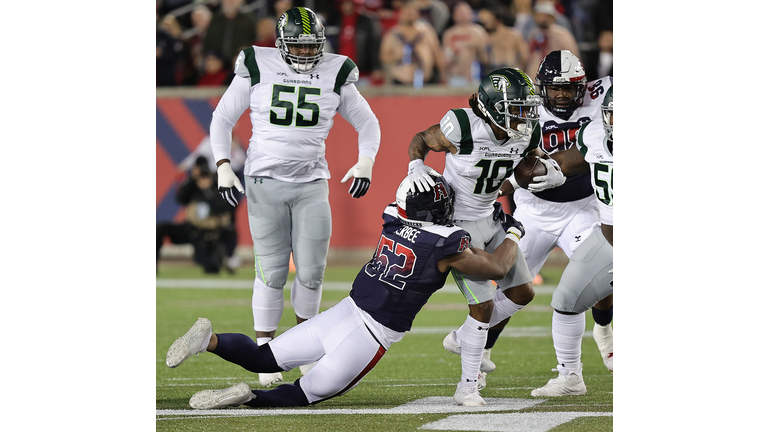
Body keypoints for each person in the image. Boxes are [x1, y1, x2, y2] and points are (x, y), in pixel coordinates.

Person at [165, 174, 526, 409]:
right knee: (305, 394)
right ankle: (249, 397)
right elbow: (497, 267)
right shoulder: (447, 243)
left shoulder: (392, 218)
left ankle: (209, 340)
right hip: (371, 336)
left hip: (343, 312)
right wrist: (513, 232)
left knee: (264, 357)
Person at [210, 6, 381, 389]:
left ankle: (303, 349)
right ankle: (265, 350)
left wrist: (365, 161)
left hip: (311, 182)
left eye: (310, 47)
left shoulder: (337, 70)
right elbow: (222, 117)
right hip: (264, 181)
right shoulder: (257, 63)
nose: (304, 54)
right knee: (271, 271)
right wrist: (223, 164)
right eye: (297, 47)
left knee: (312, 271)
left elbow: (367, 121)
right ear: (281, 44)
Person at [405, 67, 566, 406]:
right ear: (493, 107)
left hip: (491, 216)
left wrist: (551, 169)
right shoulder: (463, 127)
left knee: (522, 292)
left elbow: (530, 160)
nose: (524, 116)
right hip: (459, 223)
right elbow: (421, 139)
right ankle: (466, 386)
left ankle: (463, 337)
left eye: (527, 107)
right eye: (516, 108)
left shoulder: (526, 132)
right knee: (482, 306)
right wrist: (416, 165)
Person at [483, 50, 613, 388]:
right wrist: (507, 183)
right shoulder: (525, 106)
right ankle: (480, 355)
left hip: (583, 207)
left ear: (583, 87)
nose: (561, 95)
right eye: (554, 89)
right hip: (532, 211)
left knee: (597, 282)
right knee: (508, 286)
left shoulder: (602, 98)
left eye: (569, 89)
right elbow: (511, 156)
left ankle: (603, 328)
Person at [529, 84, 613, 396]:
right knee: (566, 300)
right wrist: (513, 181)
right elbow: (563, 162)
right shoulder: (593, 135)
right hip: (607, 243)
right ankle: (571, 378)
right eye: (613, 115)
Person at [156, 156, 235, 274]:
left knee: (211, 269)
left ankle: (220, 260)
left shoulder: (218, 184)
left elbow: (225, 207)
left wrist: (208, 189)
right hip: (191, 227)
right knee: (160, 229)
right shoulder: (193, 184)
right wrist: (192, 179)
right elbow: (180, 198)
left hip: (207, 233)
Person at [379, 0, 445, 86]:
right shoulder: (392, 34)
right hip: (400, 81)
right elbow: (384, 57)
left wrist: (443, 76)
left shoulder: (427, 31)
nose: (409, 13)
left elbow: (437, 54)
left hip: (426, 80)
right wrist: (397, 56)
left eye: (412, 10)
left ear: (418, 13)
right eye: (406, 11)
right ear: (400, 13)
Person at [525, 0, 579, 80]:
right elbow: (527, 58)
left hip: (557, 80)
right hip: (535, 82)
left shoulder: (561, 35)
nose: (542, 18)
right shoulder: (533, 35)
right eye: (539, 15)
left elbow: (574, 58)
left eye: (546, 16)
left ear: (552, 17)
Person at [441, 2, 488, 87]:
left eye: (464, 12)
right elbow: (444, 59)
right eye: (459, 12)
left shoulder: (479, 32)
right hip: (453, 77)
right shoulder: (449, 34)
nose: (462, 14)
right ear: (454, 15)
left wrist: (473, 47)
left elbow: (485, 58)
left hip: (472, 77)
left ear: (471, 14)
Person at [477, 1, 528, 73]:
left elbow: (524, 58)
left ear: (496, 18)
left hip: (512, 73)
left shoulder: (514, 35)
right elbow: (484, 60)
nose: (486, 23)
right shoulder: (487, 38)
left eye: (488, 20)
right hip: (494, 74)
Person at [203, 0, 257, 67]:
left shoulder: (249, 19)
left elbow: (256, 40)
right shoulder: (216, 20)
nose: (230, 1)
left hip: (242, 60)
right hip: (218, 63)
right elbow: (208, 42)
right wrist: (212, 57)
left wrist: (244, 53)